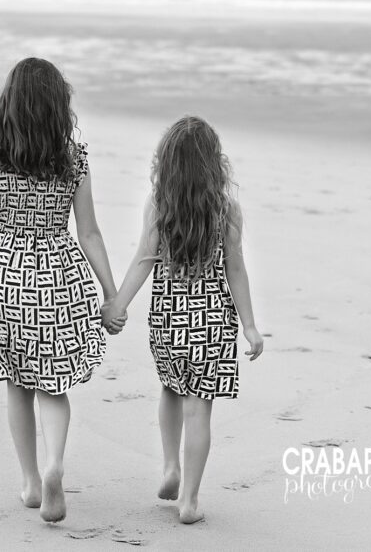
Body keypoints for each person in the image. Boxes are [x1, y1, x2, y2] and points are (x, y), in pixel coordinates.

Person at [0, 57, 123, 523]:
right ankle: (55, 464)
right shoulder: (73, 159)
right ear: (57, 108)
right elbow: (89, 233)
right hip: (58, 279)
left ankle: (31, 481)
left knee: (17, 385)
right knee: (54, 385)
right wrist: (110, 292)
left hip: (4, 279)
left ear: (8, 104)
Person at [101, 115, 264, 524]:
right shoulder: (227, 209)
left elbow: (143, 259)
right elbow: (236, 269)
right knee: (199, 409)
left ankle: (170, 466)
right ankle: (189, 500)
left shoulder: (159, 204)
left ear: (166, 163)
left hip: (169, 320)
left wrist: (118, 304)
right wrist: (249, 324)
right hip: (212, 324)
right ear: (214, 164)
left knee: (170, 391)